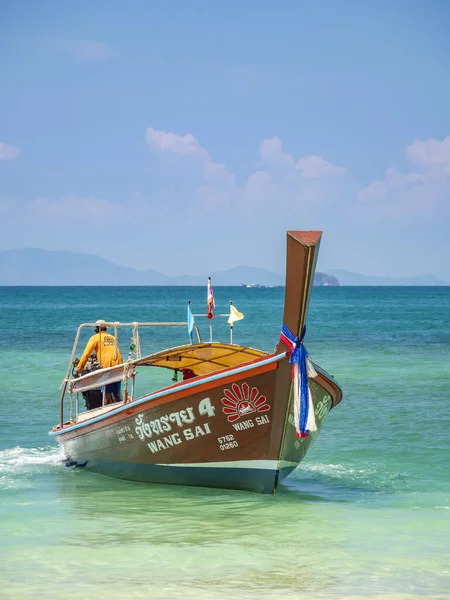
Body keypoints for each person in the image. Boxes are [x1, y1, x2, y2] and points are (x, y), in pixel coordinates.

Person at [75, 320, 123, 403]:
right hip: (119, 366)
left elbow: (86, 354)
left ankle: (106, 412)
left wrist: (78, 369)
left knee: (106, 394)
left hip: (108, 368)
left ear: (97, 329)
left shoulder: (95, 338)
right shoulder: (112, 337)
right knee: (117, 394)